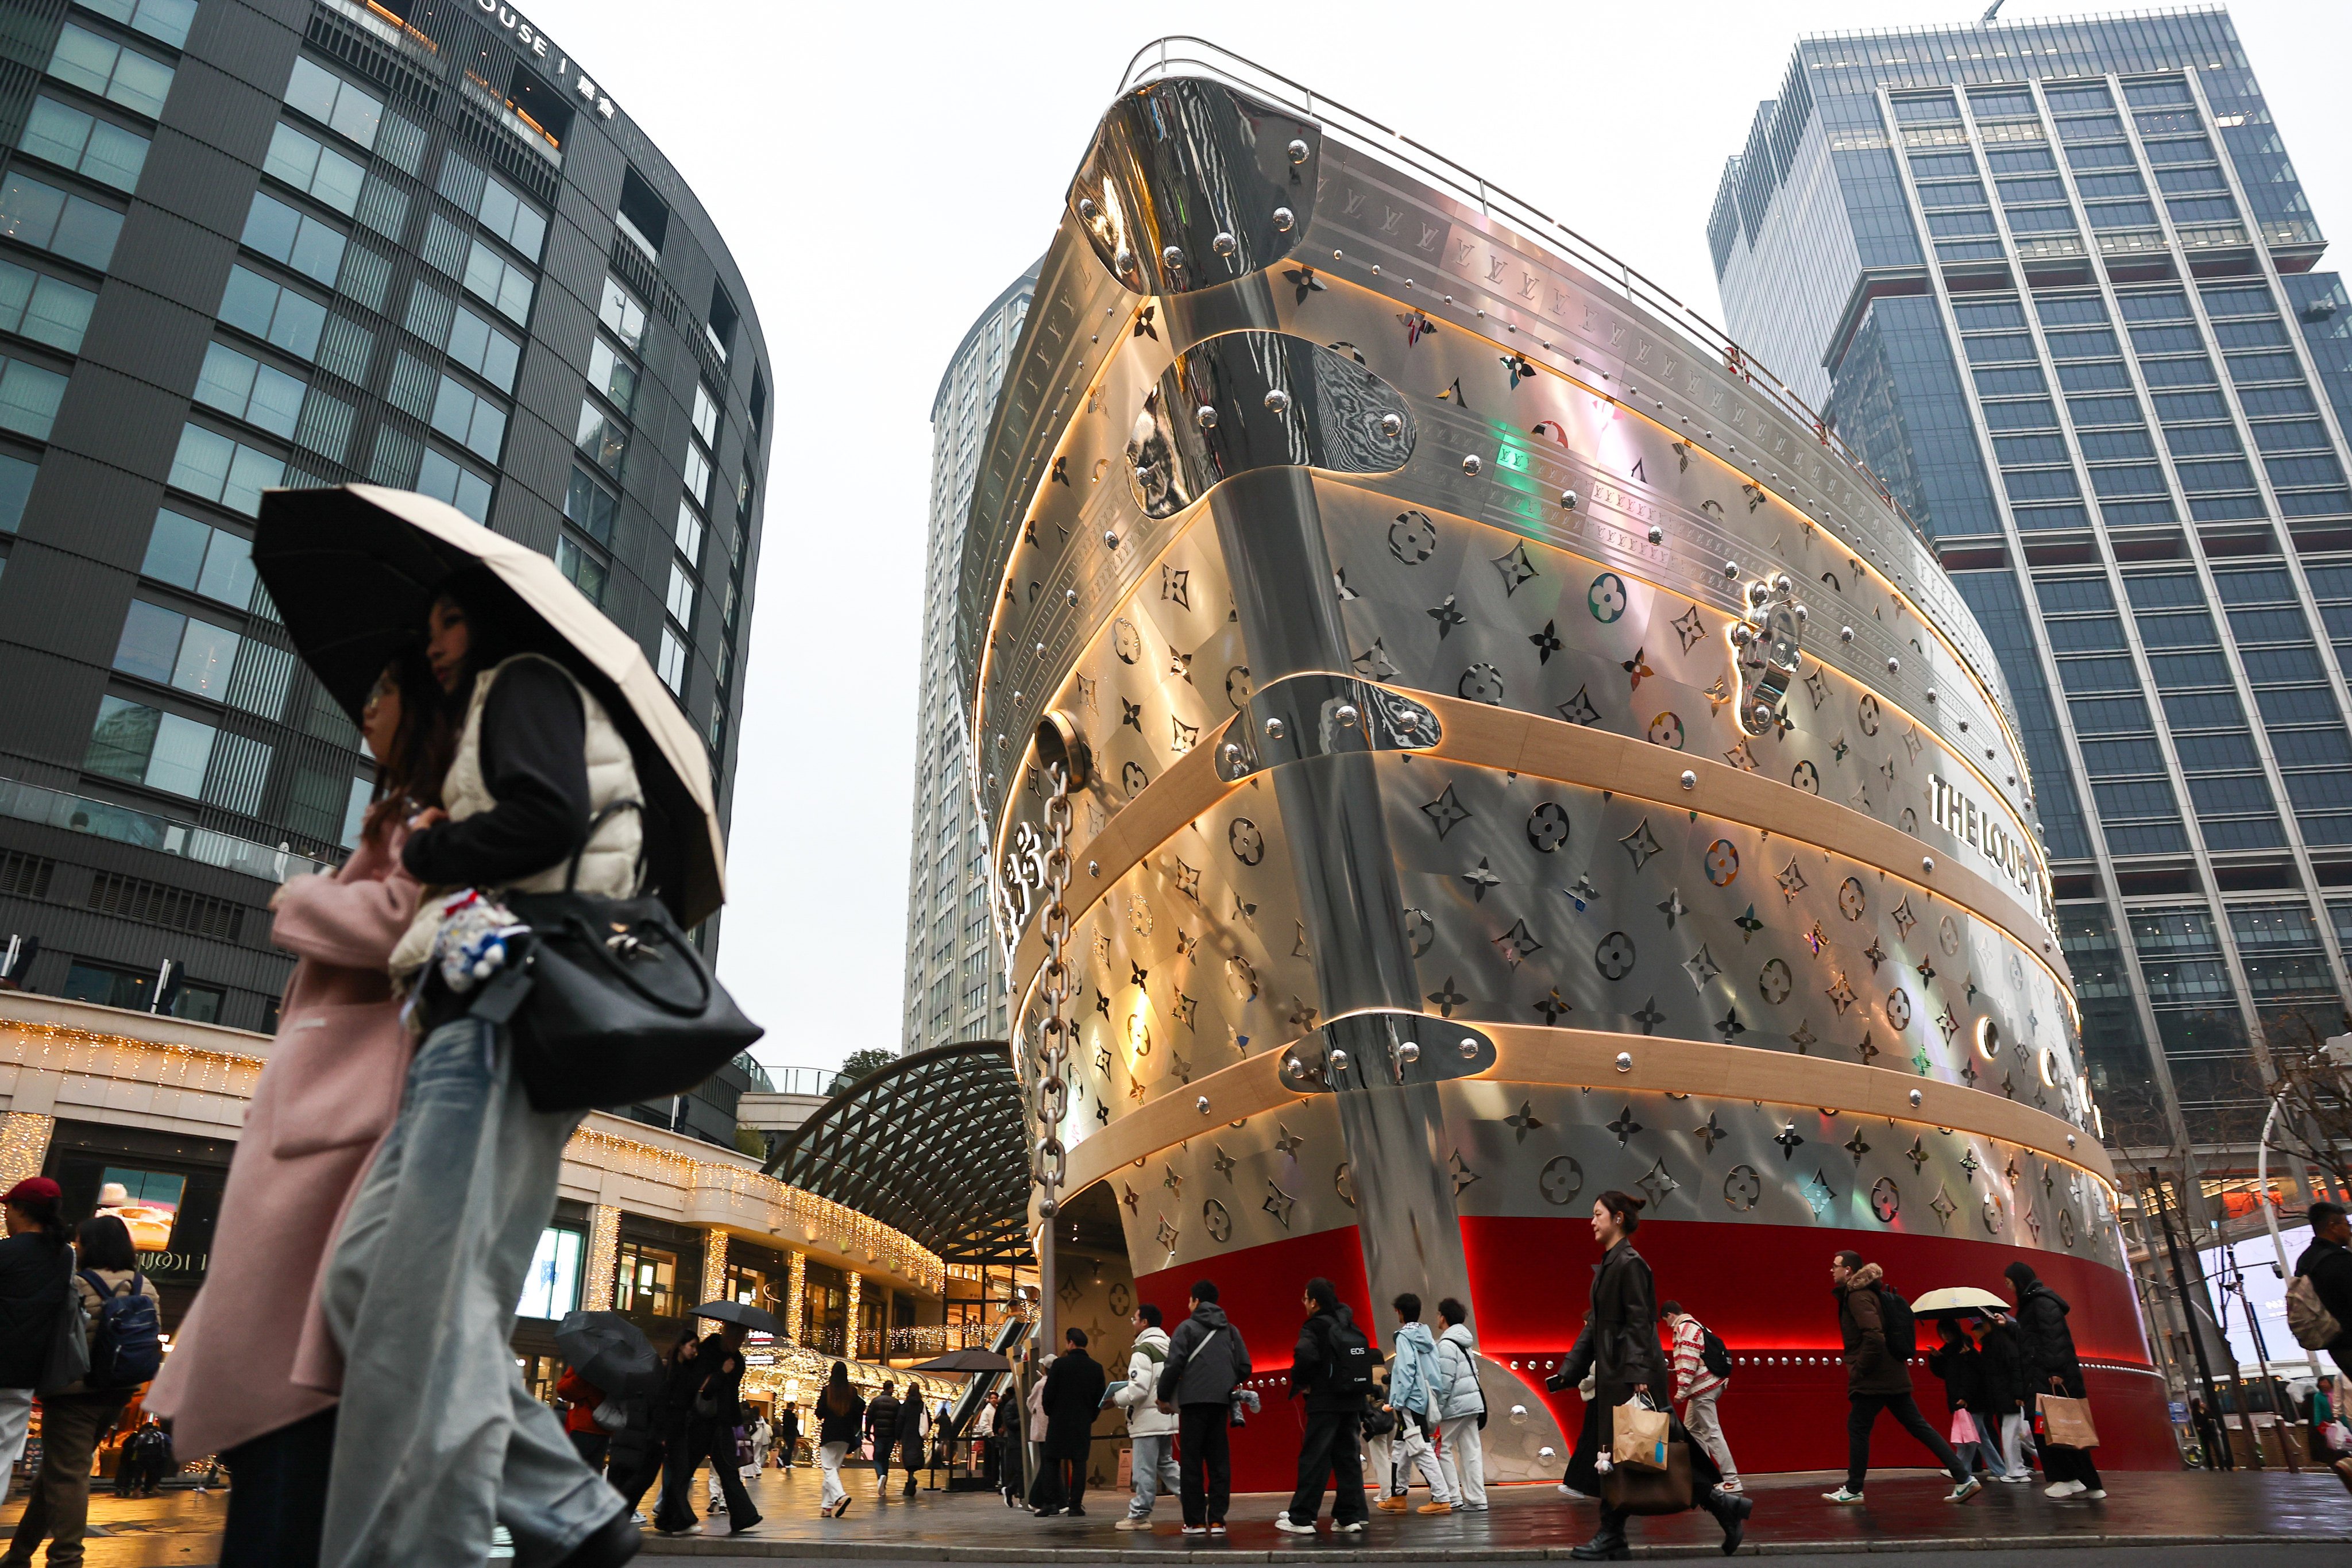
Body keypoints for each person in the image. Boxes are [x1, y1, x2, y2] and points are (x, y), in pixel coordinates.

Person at [320, 580, 646, 1568]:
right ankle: (571, 1508)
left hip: (506, 1010)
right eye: (430, 631)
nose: (439, 647)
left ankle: (447, 1542)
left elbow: (546, 821)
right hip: (468, 1019)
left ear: (493, 623)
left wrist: (432, 845)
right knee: (363, 1277)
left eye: (452, 622)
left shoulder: (524, 684)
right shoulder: (485, 716)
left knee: (426, 1290)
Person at [141, 652, 440, 1568]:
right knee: (288, 1420)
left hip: (344, 1122)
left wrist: (305, 894)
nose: (370, 702)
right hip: (329, 1114)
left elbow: (406, 923)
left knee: (295, 1410)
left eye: (386, 688)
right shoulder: (398, 816)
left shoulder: (432, 819)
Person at [1559, 1192, 1752, 1562]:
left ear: (1618, 1218)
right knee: (1634, 1457)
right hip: (1617, 1378)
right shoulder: (1614, 1263)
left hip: (1627, 1379)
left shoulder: (1630, 1263)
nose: (1592, 1221)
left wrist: (1636, 1374)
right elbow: (1596, 1327)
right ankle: (1721, 1506)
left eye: (1597, 1214)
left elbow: (1640, 1323)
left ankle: (1614, 1534)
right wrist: (1570, 1369)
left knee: (1642, 1457)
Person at [4, 1214, 160, 1568]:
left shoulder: (75, 1284)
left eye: (80, 1241)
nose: (76, 1246)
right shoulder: (145, 1286)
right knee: (56, 1475)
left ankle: (67, 1558)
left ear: (90, 1245)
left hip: (74, 1395)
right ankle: (19, 1554)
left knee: (68, 1476)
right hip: (119, 1394)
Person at [1824, 1250, 1980, 1505]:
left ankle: (1854, 1490)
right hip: (1893, 1373)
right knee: (1919, 1426)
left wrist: (1859, 1368)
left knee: (1858, 1427)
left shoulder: (1857, 1296)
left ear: (1850, 1270)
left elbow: (1873, 1336)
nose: (1832, 1270)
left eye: (1836, 1266)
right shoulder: (1872, 1293)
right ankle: (1964, 1478)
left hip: (1875, 1377)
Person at [1155, 1279, 1251, 1536]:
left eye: (1189, 1299)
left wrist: (1163, 1395)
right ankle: (1218, 1520)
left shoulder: (1186, 1329)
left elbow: (1173, 1365)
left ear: (1196, 1301)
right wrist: (1225, 1382)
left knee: (1192, 1463)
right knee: (1220, 1462)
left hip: (1193, 1404)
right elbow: (1245, 1367)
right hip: (1220, 1403)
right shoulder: (1230, 1330)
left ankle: (1196, 1521)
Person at [1278, 1278, 1372, 1535]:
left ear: (1314, 1302)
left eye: (1305, 1299)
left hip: (1324, 1401)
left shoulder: (1315, 1326)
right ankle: (1349, 1516)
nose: (1304, 1303)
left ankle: (1302, 1518)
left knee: (1314, 1458)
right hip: (1351, 1400)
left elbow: (1305, 1356)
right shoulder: (1348, 1324)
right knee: (1348, 1459)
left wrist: (1301, 1382)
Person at [2004, 1260, 2104, 1500]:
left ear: (2019, 1281)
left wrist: (2055, 1371)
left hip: (2049, 1379)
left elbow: (2054, 1337)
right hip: (2044, 1377)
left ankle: (2065, 1479)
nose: (2008, 1287)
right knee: (2063, 1432)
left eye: (2009, 1282)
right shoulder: (2036, 1303)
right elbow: (2036, 1337)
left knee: (2052, 1431)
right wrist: (2008, 1326)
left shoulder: (2039, 1303)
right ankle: (2086, 1483)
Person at [0, 1179, 72, 1492]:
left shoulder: (6, 1250)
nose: (5, 1216)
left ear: (20, 1210)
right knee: (3, 1455)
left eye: (7, 1208)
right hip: (28, 1371)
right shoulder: (65, 1256)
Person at [674, 1318, 760, 1534]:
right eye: (739, 1337)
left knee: (729, 1471)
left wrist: (739, 1429)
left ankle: (744, 1516)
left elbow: (731, 1397)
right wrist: (722, 1372)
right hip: (701, 1423)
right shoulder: (706, 1353)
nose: (741, 1342)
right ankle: (673, 1514)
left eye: (744, 1338)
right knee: (688, 1469)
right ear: (727, 1332)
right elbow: (704, 1390)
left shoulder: (738, 1360)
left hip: (725, 1424)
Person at [1380, 1293, 1455, 1514]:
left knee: (1420, 1447)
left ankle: (1442, 1498)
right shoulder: (1428, 1337)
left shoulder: (1404, 1337)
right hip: (1426, 1398)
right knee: (1401, 1446)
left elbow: (1405, 1370)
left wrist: (1397, 1401)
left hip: (1411, 1400)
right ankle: (1397, 1495)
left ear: (1399, 1313)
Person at [1113, 1304, 1181, 1530]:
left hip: (1147, 1420)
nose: (1133, 1323)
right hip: (1167, 1417)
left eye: (1135, 1319)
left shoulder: (1143, 1350)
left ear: (1145, 1323)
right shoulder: (1170, 1347)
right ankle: (1195, 1497)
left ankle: (1139, 1514)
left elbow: (1138, 1390)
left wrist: (1115, 1398)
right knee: (1167, 1464)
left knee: (1144, 1469)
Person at [1661, 1301, 1739, 1493]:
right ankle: (1705, 1476)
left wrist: (1681, 1391)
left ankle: (1731, 1479)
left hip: (1703, 1388)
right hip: (1707, 1385)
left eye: (1666, 1321)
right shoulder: (1698, 1325)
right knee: (1693, 1431)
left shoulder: (1683, 1328)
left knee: (1711, 1432)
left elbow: (1689, 1360)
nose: (1668, 1325)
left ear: (1670, 1315)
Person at [1036, 1327, 1105, 1516]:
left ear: (1070, 1343)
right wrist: (1090, 1417)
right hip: (1082, 1422)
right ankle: (1075, 1505)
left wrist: (1052, 1413)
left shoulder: (1059, 1365)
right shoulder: (1096, 1367)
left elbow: (1048, 1395)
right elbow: (1100, 1399)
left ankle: (1051, 1503)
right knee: (1079, 1463)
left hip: (1059, 1421)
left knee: (1051, 1460)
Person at [2293, 1200, 2352, 1381]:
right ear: (2333, 1227)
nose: (2349, 1230)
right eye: (2346, 1224)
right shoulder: (2341, 1260)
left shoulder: (2305, 1261)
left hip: (2336, 1344)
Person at [814, 1364, 863, 1518]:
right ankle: (827, 1507)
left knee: (829, 1470)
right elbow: (857, 1414)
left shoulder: (828, 1390)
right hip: (846, 1436)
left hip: (830, 1434)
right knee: (833, 1471)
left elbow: (820, 1413)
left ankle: (841, 1496)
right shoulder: (852, 1391)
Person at [555, 1368, 611, 1473]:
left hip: (583, 1426)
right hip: (605, 1426)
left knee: (567, 1471)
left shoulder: (587, 1367)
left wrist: (581, 1374)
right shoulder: (618, 1369)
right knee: (592, 1475)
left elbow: (563, 1389)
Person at [866, 1380, 901, 1493]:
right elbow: (899, 1420)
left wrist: (867, 1432)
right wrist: (898, 1436)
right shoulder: (896, 1403)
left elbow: (869, 1417)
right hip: (891, 1435)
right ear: (891, 1389)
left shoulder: (875, 1401)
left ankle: (881, 1476)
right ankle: (884, 1482)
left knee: (877, 1457)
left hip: (879, 1435)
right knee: (886, 1458)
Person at [777, 1403, 801, 1473]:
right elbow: (794, 1424)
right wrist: (796, 1417)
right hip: (791, 1434)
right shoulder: (791, 1415)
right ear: (793, 1407)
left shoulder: (785, 1414)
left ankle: (786, 1461)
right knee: (790, 1448)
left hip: (786, 1434)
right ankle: (784, 1460)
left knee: (789, 1447)